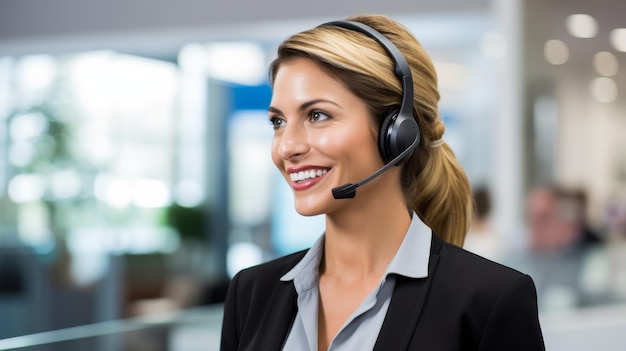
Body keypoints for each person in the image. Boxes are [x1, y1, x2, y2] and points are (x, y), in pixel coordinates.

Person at [220, 14, 545, 350]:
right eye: (278, 122)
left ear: (398, 133)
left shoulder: (488, 300)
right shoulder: (251, 292)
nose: (287, 147)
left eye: (317, 115)